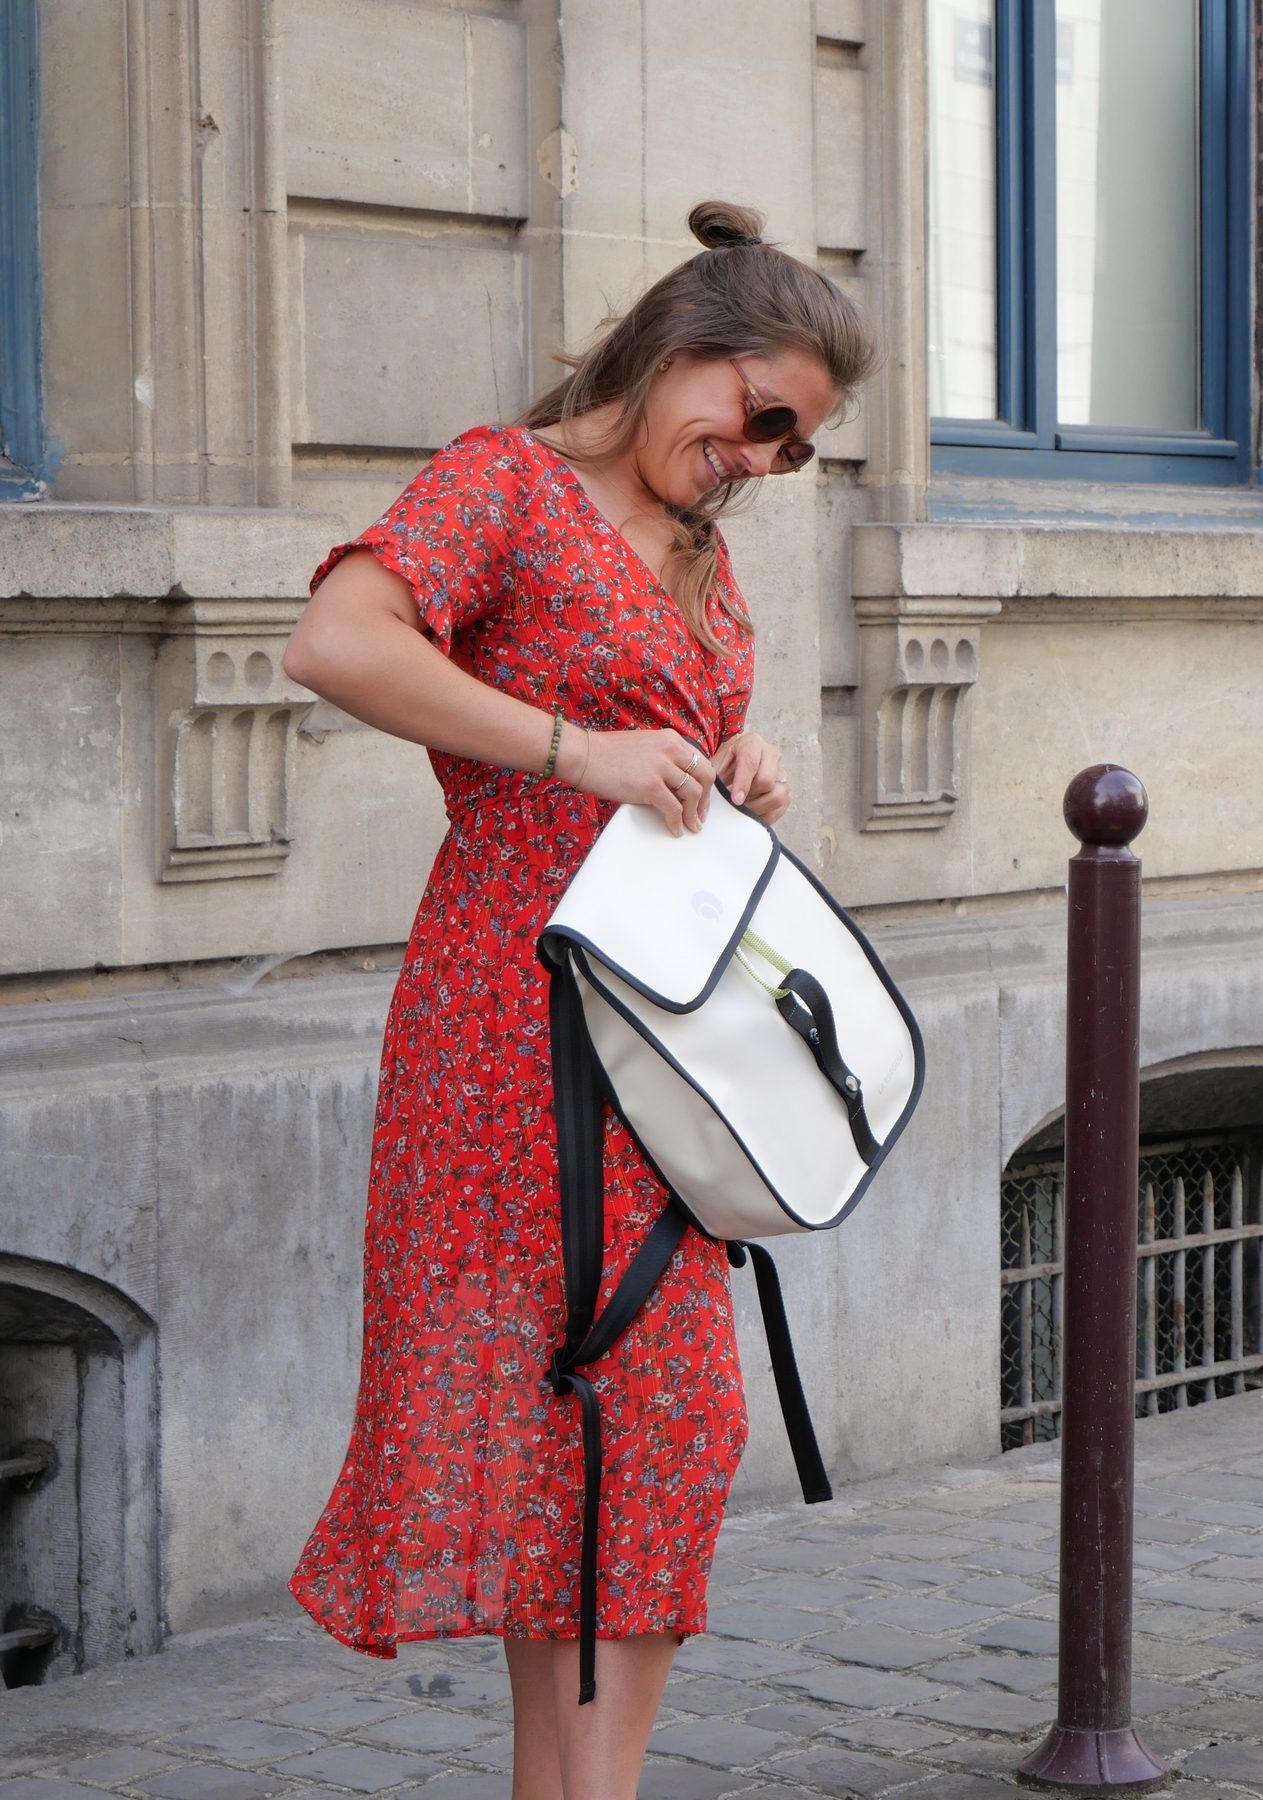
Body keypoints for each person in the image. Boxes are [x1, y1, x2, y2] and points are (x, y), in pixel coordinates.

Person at [281, 200, 875, 1800]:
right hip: (511, 1028)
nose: (762, 459)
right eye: (765, 418)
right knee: (574, 1438)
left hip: (661, 1033)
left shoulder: (699, 547)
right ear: (690, 347)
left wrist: (746, 764)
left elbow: (668, 746)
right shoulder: (506, 483)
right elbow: (334, 640)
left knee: (655, 1433)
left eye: (796, 449)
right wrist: (573, 750)